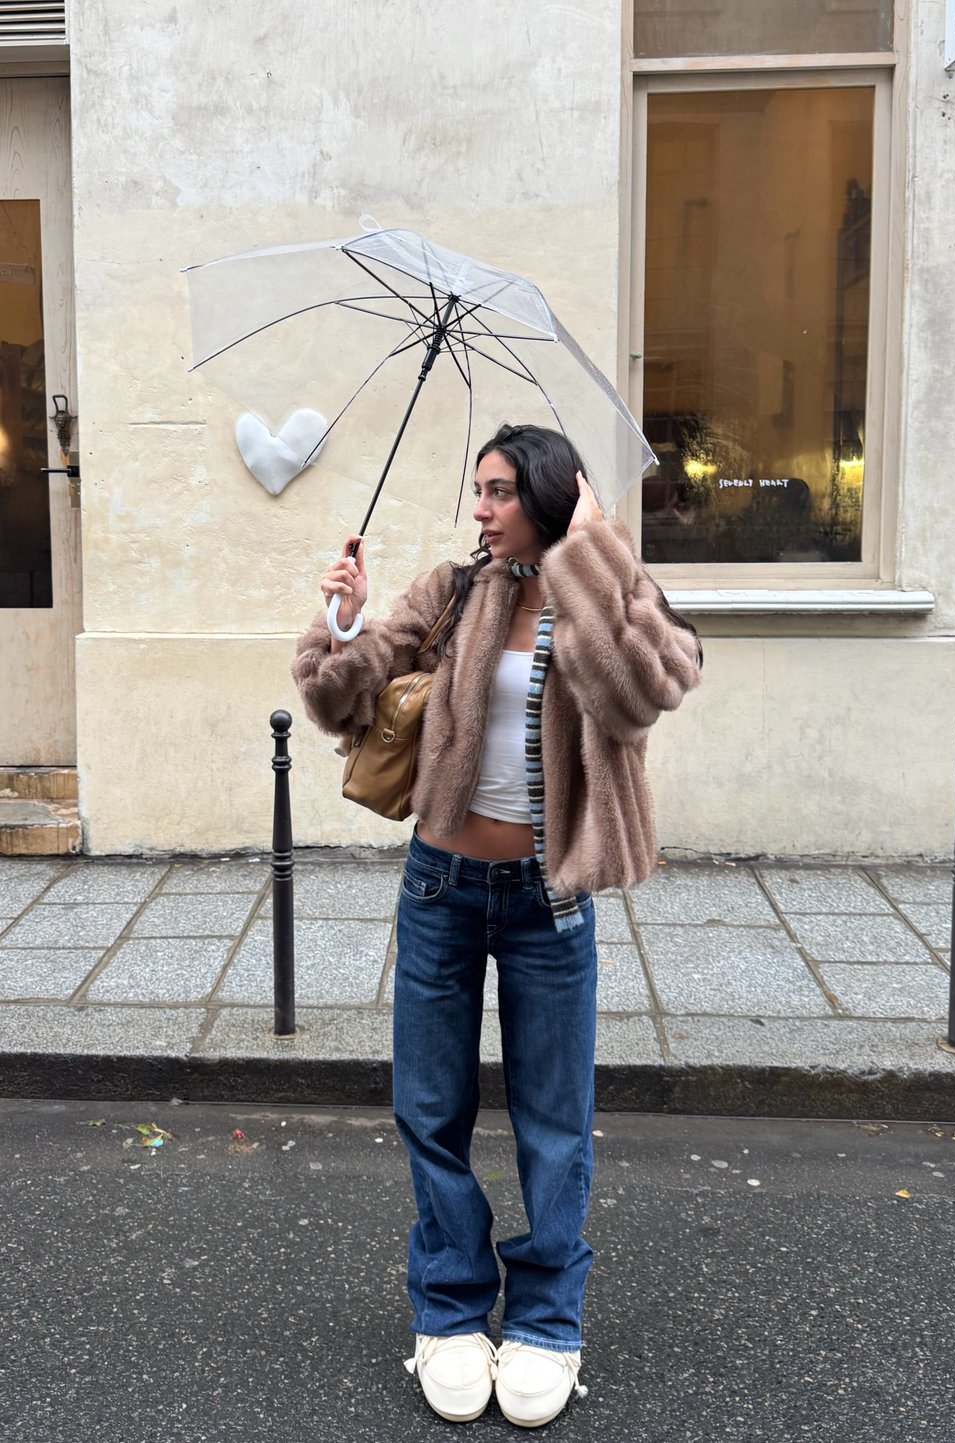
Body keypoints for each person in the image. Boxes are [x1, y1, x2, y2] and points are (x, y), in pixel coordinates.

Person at [292, 423, 702, 1428]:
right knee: (429, 1112)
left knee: (552, 1126)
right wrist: (341, 627)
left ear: (554, 495)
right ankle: (449, 1309)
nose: (480, 507)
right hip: (439, 889)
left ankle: (549, 1320)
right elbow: (338, 701)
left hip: (547, 900)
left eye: (499, 490)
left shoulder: (606, 593)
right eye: (477, 489)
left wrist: (592, 560)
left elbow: (652, 687)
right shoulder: (453, 590)